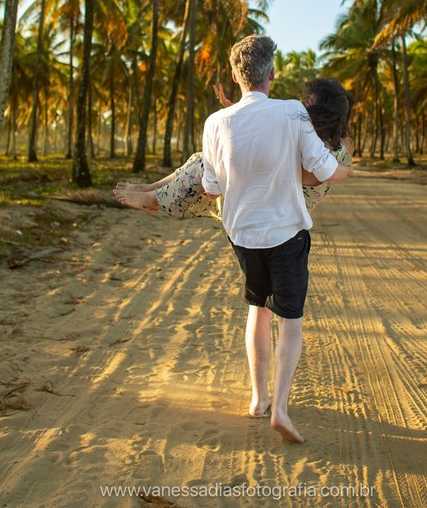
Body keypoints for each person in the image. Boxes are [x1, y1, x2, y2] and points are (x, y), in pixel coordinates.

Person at [203, 35, 351, 444]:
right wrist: (346, 170)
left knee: (258, 309)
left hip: (243, 237)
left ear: (236, 77)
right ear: (272, 74)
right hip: (286, 234)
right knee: (291, 321)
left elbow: (212, 188)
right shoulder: (291, 113)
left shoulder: (215, 122)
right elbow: (321, 169)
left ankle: (257, 399)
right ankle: (281, 408)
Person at [112, 77, 354, 219]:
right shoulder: (338, 140)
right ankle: (152, 188)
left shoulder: (310, 148)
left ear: (323, 113)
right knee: (202, 157)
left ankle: (154, 200)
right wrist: (239, 115)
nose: (303, 103)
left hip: (270, 205)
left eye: (309, 101)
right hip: (271, 194)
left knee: (205, 169)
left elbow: (272, 160)